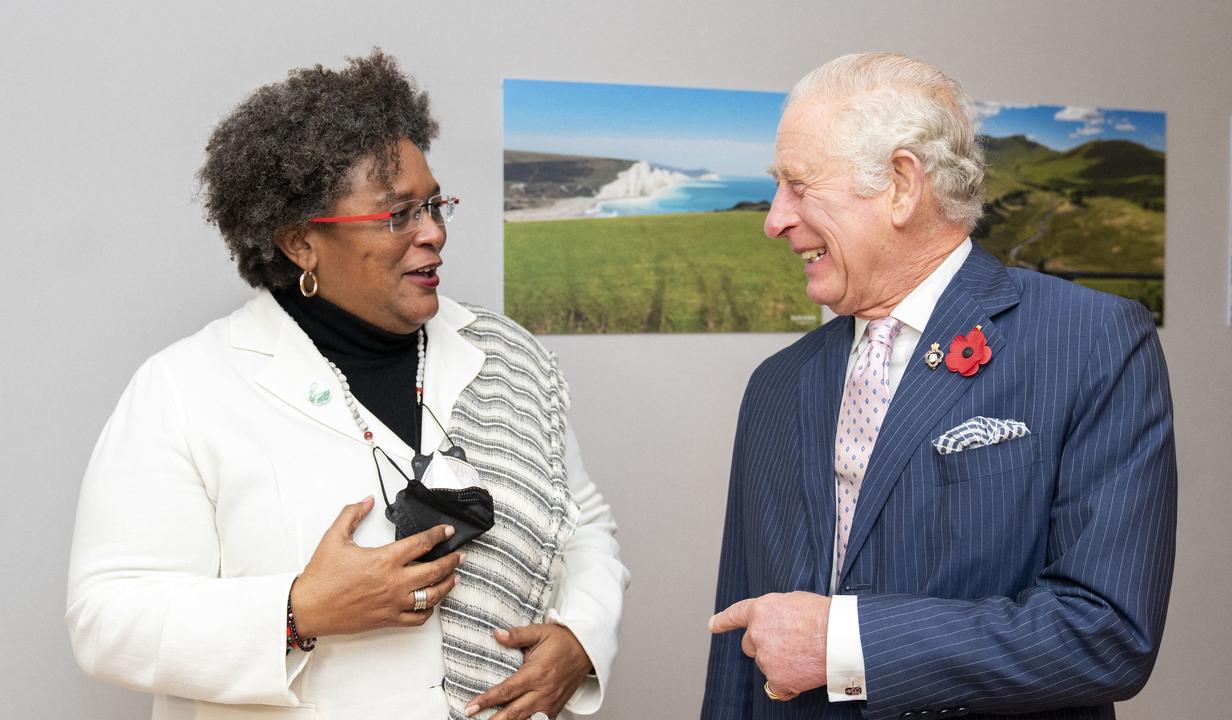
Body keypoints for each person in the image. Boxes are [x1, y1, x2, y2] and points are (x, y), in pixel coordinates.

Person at [66, 50, 628, 720]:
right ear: (301, 242)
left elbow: (583, 520)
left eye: (434, 204)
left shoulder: (507, 356)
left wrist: (581, 637)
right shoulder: (186, 388)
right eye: (398, 215)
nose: (435, 234)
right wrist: (299, 610)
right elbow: (106, 620)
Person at [703, 52, 1175, 719]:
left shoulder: (1092, 342)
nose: (774, 218)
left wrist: (847, 642)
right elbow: (741, 640)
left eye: (798, 185)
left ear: (901, 184)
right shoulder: (777, 385)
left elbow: (1106, 633)